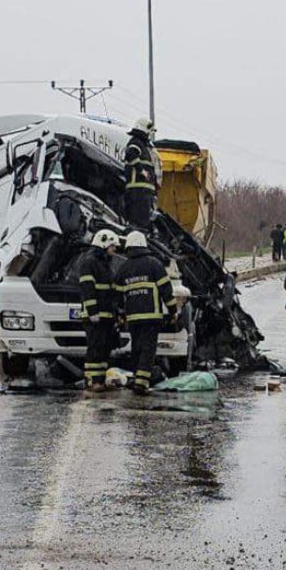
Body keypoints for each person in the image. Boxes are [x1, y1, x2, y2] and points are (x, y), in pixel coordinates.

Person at [114, 231, 177, 394]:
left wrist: (120, 314)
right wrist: (173, 311)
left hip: (133, 318)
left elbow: (117, 296)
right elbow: (166, 290)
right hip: (151, 316)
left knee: (137, 347)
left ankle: (137, 376)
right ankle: (141, 382)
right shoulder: (154, 264)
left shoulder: (124, 268)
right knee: (148, 349)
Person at [78, 229, 122, 392]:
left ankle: (100, 380)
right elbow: (87, 289)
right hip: (94, 316)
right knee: (95, 348)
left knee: (104, 348)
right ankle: (92, 380)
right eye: (112, 246)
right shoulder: (89, 263)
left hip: (106, 315)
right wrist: (92, 311)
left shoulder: (106, 264)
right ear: (103, 244)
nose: (114, 249)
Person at [123, 118, 160, 231]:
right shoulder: (136, 142)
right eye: (149, 132)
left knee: (144, 222)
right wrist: (141, 171)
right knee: (139, 223)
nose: (150, 135)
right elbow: (130, 153)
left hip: (144, 192)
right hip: (138, 192)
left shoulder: (145, 147)